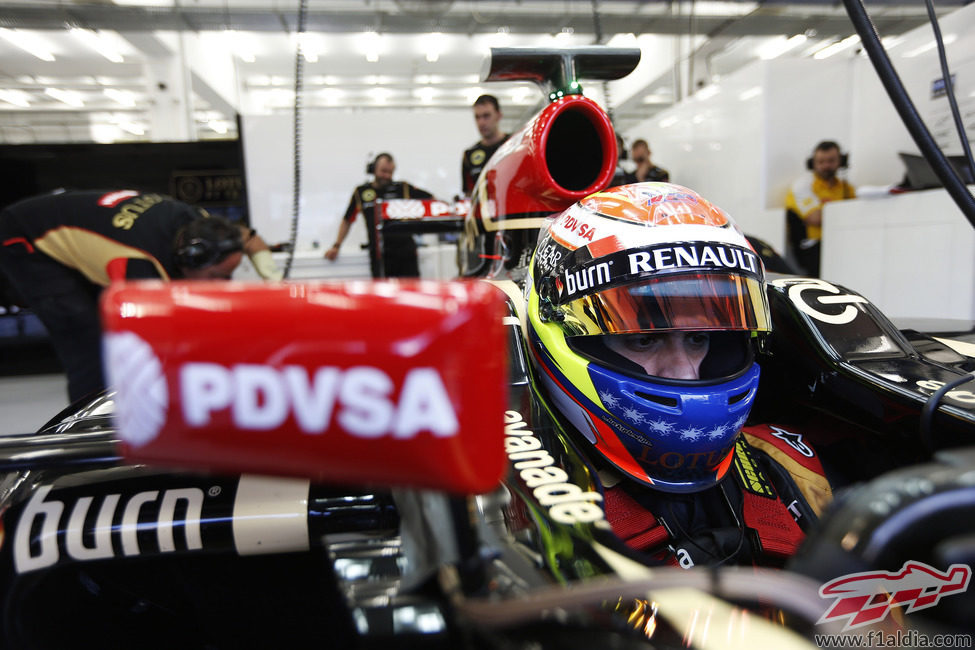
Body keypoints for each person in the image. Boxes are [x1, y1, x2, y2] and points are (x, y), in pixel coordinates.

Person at [524, 182, 832, 567]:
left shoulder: (793, 468)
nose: (685, 373)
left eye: (700, 337)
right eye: (644, 339)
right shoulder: (514, 506)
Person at [0, 189, 281, 403]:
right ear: (190, 262)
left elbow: (251, 239)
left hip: (81, 224)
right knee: (84, 336)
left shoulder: (203, 225)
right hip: (24, 236)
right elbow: (141, 338)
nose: (224, 285)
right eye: (217, 277)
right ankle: (88, 427)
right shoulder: (138, 265)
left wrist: (274, 283)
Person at [324, 152, 433, 279]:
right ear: (373, 169)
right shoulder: (361, 192)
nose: (387, 176)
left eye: (390, 172)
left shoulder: (403, 188)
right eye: (383, 171)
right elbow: (347, 220)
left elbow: (432, 200)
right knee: (381, 293)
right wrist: (336, 246)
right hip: (379, 253)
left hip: (406, 251)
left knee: (411, 293)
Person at [785, 140, 856, 277]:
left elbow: (856, 215)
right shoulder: (803, 185)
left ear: (841, 161)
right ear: (813, 163)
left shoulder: (847, 188)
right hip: (814, 247)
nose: (826, 166)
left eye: (831, 161)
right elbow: (815, 218)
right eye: (821, 162)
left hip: (843, 241)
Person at [461, 94, 510, 197]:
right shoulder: (469, 154)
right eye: (477, 117)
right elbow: (469, 195)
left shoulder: (515, 145)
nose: (481, 122)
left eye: (486, 116)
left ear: (499, 115)